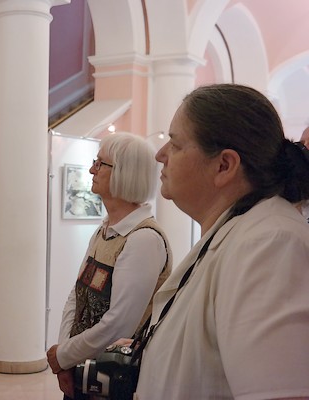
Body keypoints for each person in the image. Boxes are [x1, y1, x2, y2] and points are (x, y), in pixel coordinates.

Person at [131, 84, 309, 399]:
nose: (160, 155)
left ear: (224, 166)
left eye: (175, 144)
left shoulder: (268, 244)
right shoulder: (239, 232)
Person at [47, 132, 172, 399]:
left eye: (100, 163)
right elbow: (77, 296)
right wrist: (65, 358)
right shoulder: (104, 231)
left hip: (114, 379)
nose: (92, 170)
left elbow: (118, 325)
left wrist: (64, 355)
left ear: (125, 173)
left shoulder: (144, 239)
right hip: (84, 370)